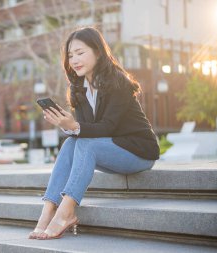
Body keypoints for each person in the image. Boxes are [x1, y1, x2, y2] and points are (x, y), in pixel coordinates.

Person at [29, 26, 160, 240]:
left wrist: (74, 127)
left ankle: (66, 212)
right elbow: (85, 129)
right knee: (71, 143)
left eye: (80, 53)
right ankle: (47, 212)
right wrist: (67, 125)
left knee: (84, 143)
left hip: (138, 152)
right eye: (70, 55)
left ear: (98, 52)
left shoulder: (118, 82)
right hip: (109, 149)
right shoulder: (78, 87)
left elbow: (107, 127)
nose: (74, 60)